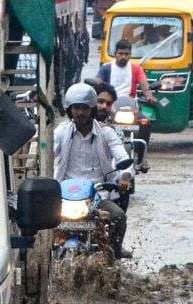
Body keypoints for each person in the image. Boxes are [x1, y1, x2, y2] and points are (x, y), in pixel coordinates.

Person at [54, 82, 134, 254]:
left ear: (92, 110)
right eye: (76, 108)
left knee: (118, 217)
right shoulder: (61, 132)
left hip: (98, 194)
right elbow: (46, 153)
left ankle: (112, 256)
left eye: (84, 108)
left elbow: (123, 157)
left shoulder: (106, 133)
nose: (80, 113)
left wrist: (126, 176)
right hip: (65, 195)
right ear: (69, 110)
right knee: (41, 222)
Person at [97, 39, 158, 103]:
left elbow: (145, 87)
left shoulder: (136, 68)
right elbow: (98, 85)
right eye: (120, 54)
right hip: (110, 105)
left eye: (126, 54)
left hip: (131, 104)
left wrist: (149, 97)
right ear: (115, 54)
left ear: (130, 54)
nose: (123, 57)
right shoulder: (106, 68)